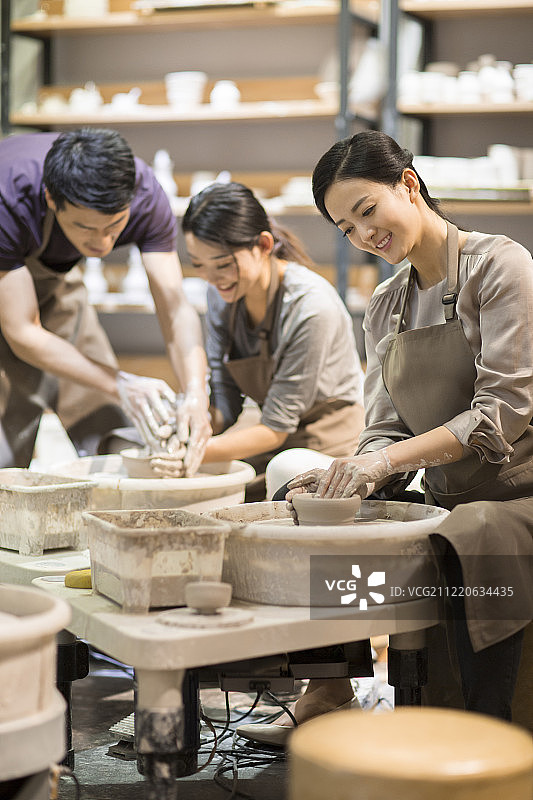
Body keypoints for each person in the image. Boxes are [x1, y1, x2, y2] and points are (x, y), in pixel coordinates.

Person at [238, 129, 533, 745]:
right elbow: (385, 427)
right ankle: (328, 688)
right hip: (449, 495)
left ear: (408, 183)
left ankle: (484, 739)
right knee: (305, 490)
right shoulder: (385, 304)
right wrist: (353, 472)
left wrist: (384, 463)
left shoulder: (499, 267)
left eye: (367, 211)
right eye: (346, 228)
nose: (364, 236)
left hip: (515, 497)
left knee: (473, 529)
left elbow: (502, 412)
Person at [0, 128, 211, 473]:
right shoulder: (10, 197)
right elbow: (22, 332)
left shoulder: (145, 193)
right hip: (7, 274)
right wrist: (120, 382)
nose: (102, 243)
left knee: (107, 411)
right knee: (7, 445)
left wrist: (196, 393)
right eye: (85, 227)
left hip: (53, 279)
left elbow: (175, 309)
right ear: (52, 199)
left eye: (114, 225)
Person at [151, 181, 365, 500]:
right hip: (270, 438)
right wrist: (189, 426)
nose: (211, 278)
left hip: (327, 444)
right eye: (199, 266)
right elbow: (225, 399)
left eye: (223, 264)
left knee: (280, 485)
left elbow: (276, 428)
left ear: (264, 244)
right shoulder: (221, 295)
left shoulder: (311, 306)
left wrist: (194, 452)